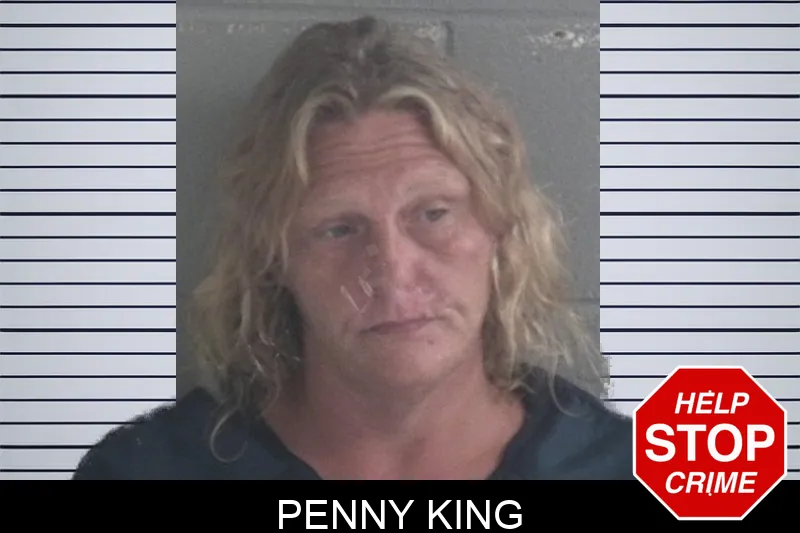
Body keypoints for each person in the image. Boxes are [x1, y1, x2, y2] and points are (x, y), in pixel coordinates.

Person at [72, 16, 632, 480]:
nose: (392, 269)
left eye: (433, 214)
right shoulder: (148, 472)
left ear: (500, 227)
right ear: (274, 258)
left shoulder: (625, 472)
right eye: (339, 228)